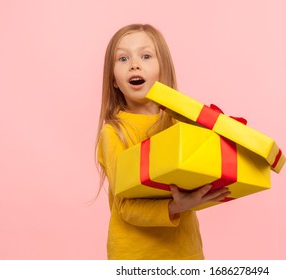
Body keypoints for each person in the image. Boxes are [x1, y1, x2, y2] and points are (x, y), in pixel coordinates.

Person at [95, 24, 230, 260]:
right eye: (123, 58)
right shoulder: (114, 132)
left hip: (185, 252)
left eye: (146, 56)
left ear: (163, 70)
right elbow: (126, 207)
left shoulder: (181, 123)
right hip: (134, 257)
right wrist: (177, 206)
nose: (134, 64)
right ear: (114, 80)